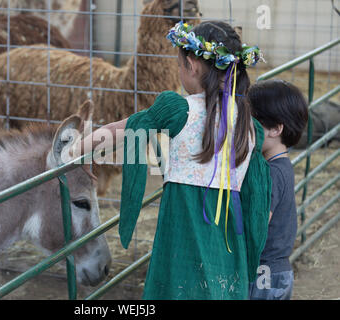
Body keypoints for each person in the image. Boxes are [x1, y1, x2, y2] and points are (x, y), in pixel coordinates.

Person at [73, 20, 271, 299]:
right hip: (227, 241)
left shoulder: (179, 109)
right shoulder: (250, 124)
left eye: (179, 66)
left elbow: (123, 129)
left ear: (191, 65)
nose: (179, 71)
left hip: (183, 231)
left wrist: (77, 148)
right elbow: (257, 198)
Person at [247, 79, 309, 300]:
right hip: (277, 271)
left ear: (275, 129)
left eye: (252, 123)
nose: (246, 129)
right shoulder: (282, 166)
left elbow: (258, 225)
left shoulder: (271, 173)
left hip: (264, 274)